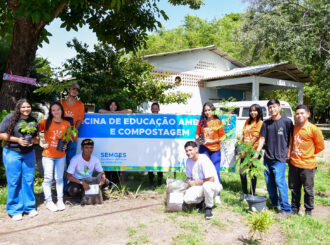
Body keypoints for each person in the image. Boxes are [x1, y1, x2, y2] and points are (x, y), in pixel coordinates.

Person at [0, 99, 38, 221]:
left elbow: (36, 137)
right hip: (12, 152)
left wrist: (33, 140)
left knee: (28, 180)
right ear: (18, 108)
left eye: (28, 106)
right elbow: (1, 134)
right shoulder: (10, 118)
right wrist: (17, 140)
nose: (26, 109)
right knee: (14, 181)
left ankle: (29, 207)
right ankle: (14, 209)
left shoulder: (33, 120)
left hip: (29, 153)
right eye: (23, 107)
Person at [256, 99, 293, 216]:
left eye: (274, 107)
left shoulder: (287, 122)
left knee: (280, 182)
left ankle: (286, 209)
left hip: (280, 158)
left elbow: (291, 139)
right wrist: (257, 152)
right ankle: (274, 203)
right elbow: (262, 139)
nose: (272, 109)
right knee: (269, 183)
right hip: (268, 158)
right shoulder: (266, 123)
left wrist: (289, 153)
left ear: (279, 108)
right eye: (270, 107)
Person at [289, 105, 324, 216]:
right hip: (294, 163)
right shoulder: (294, 128)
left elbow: (320, 146)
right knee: (294, 188)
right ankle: (294, 209)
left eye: (302, 113)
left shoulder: (313, 129)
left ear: (308, 114)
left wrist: (308, 155)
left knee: (308, 190)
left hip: (308, 166)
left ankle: (308, 211)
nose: (299, 115)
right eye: (297, 113)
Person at [38, 102, 70, 212]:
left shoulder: (66, 123)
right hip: (48, 155)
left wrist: (65, 144)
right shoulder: (46, 122)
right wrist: (42, 142)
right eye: (53, 110)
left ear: (62, 110)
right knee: (48, 179)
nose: (56, 112)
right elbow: (36, 132)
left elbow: (68, 137)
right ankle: (49, 201)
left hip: (61, 155)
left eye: (58, 109)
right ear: (51, 112)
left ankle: (60, 200)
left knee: (59, 178)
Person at [183, 141, 222, 219]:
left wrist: (194, 182)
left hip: (213, 186)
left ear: (196, 149)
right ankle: (202, 201)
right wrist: (184, 184)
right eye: (186, 151)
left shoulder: (203, 159)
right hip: (200, 186)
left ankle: (209, 208)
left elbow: (211, 179)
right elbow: (189, 177)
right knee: (187, 199)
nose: (188, 153)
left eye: (190, 150)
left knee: (207, 186)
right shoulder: (188, 161)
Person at [57, 82, 85, 191]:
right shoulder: (59, 102)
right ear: (68, 90)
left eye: (77, 90)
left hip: (72, 139)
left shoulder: (80, 105)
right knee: (60, 162)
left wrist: (70, 135)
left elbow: (79, 122)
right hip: (59, 137)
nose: (75, 91)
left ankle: (68, 187)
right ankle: (60, 187)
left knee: (70, 162)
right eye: (73, 88)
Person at [195, 102, 225, 204]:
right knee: (203, 171)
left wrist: (210, 141)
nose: (207, 112)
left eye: (209, 110)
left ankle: (217, 195)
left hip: (215, 150)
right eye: (205, 110)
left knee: (215, 171)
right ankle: (203, 194)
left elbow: (222, 137)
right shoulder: (201, 122)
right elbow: (197, 135)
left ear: (213, 110)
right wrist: (200, 140)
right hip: (204, 149)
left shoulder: (218, 122)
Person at [238, 104, 263, 200]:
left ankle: (252, 193)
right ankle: (244, 193)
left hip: (253, 152)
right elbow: (243, 133)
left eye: (255, 110)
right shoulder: (247, 121)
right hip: (244, 150)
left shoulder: (260, 122)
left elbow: (255, 138)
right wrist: (240, 144)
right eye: (251, 110)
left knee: (252, 173)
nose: (253, 112)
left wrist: (245, 150)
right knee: (242, 172)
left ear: (259, 112)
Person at [148, 102, 163, 188]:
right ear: (151, 110)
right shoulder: (147, 119)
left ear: (159, 109)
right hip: (150, 146)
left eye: (156, 108)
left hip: (159, 146)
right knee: (150, 163)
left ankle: (160, 182)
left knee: (160, 164)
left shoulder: (163, 119)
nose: (154, 110)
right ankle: (151, 183)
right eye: (153, 108)